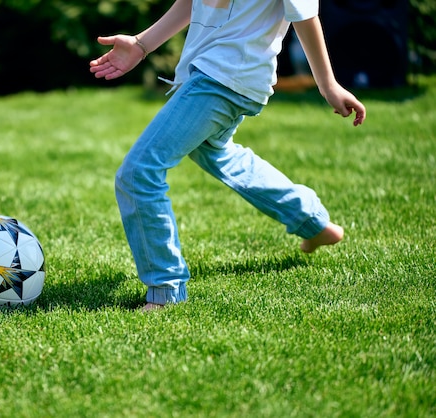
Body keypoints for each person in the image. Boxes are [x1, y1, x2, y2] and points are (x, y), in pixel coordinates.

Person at [89, 0, 366, 311]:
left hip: (225, 76)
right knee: (215, 152)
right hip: (213, 72)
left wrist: (328, 85)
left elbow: (304, 15)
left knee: (139, 172)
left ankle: (165, 289)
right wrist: (141, 44)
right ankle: (311, 221)